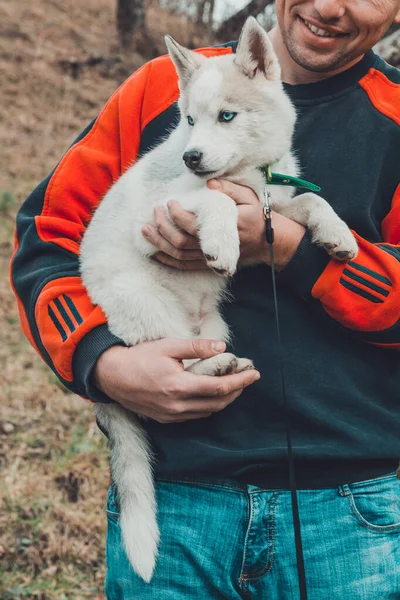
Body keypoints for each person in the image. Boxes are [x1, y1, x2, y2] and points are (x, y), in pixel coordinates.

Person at [10, 0, 400, 597]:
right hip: (179, 492)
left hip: (349, 508)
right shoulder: (159, 88)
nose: (328, 6)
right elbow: (48, 237)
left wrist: (293, 251)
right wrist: (103, 362)